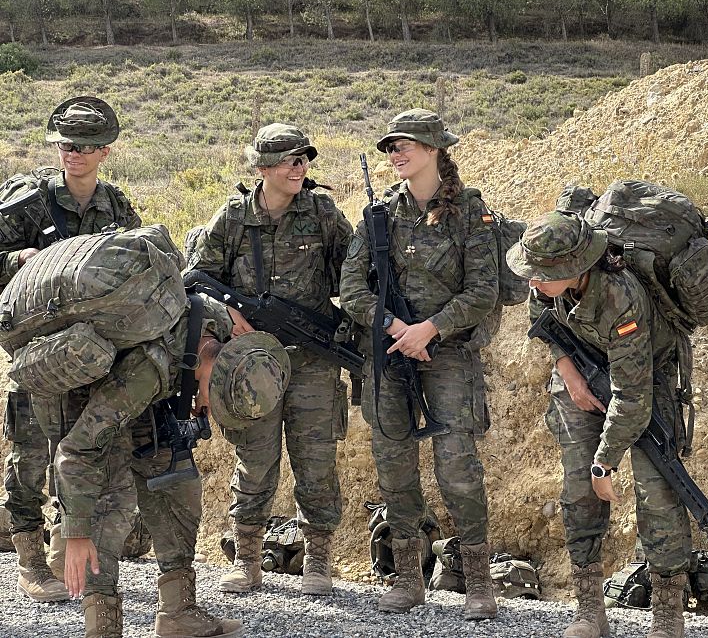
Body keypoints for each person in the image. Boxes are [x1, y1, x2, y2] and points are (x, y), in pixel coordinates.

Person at [339, 109, 500, 619]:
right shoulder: (380, 215)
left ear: (435, 150)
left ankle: (479, 583)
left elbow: (483, 291)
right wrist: (394, 329)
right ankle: (409, 579)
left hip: (447, 352)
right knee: (395, 468)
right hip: (389, 355)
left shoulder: (471, 212)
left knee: (457, 468)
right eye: (390, 147)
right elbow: (351, 288)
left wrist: (427, 329)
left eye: (406, 145)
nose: (396, 154)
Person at [56, 287, 288, 638]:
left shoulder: (218, 325)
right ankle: (101, 623)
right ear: (213, 371)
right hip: (96, 403)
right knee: (110, 504)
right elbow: (77, 449)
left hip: (147, 408)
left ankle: (178, 612)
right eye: (219, 401)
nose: (211, 410)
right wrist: (75, 530)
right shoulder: (147, 370)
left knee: (179, 487)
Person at [185, 123, 353, 596]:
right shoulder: (234, 218)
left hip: (312, 361)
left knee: (315, 460)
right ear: (262, 169)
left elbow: (355, 276)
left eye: (304, 159)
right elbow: (196, 279)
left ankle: (318, 561)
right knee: (255, 459)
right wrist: (230, 312)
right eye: (288, 160)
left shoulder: (322, 213)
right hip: (250, 365)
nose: (299, 168)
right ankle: (248, 558)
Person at [507, 211, 692, 638]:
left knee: (659, 491)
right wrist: (569, 375)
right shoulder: (545, 283)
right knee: (578, 490)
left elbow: (632, 395)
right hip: (579, 374)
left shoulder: (620, 297)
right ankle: (589, 610)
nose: (532, 282)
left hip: (643, 376)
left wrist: (605, 462)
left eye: (542, 275)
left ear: (574, 269)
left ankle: (668, 618)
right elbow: (547, 327)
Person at [0, 96, 140, 603]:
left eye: (85, 146)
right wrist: (24, 259)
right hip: (36, 350)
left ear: (105, 151)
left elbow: (134, 264)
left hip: (93, 354)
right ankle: (29, 562)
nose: (73, 154)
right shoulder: (26, 202)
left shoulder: (116, 205)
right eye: (64, 144)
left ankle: (65, 554)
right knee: (30, 455)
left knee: (77, 453)